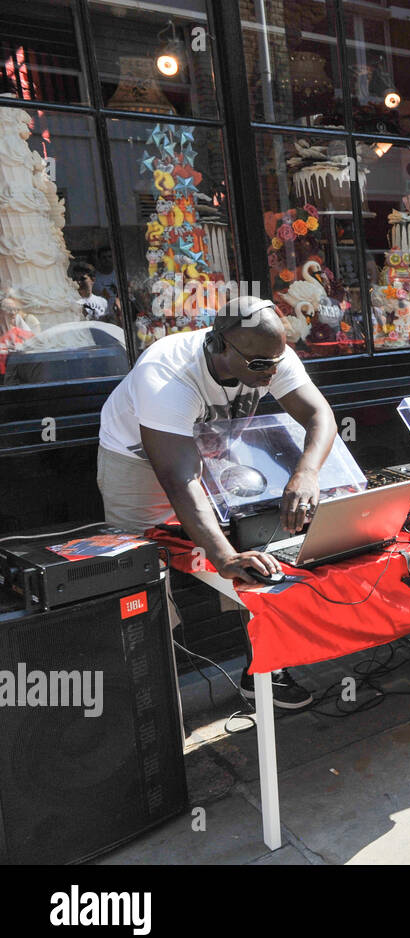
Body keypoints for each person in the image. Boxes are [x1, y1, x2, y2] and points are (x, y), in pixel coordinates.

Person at [97, 297, 337, 708]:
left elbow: (320, 415)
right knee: (143, 572)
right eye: (261, 365)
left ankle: (262, 671)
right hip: (137, 462)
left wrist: (307, 471)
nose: (274, 372)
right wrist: (223, 556)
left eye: (278, 360)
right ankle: (156, 697)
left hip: (213, 451)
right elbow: (179, 479)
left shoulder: (268, 353)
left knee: (253, 552)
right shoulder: (168, 374)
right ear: (220, 345)